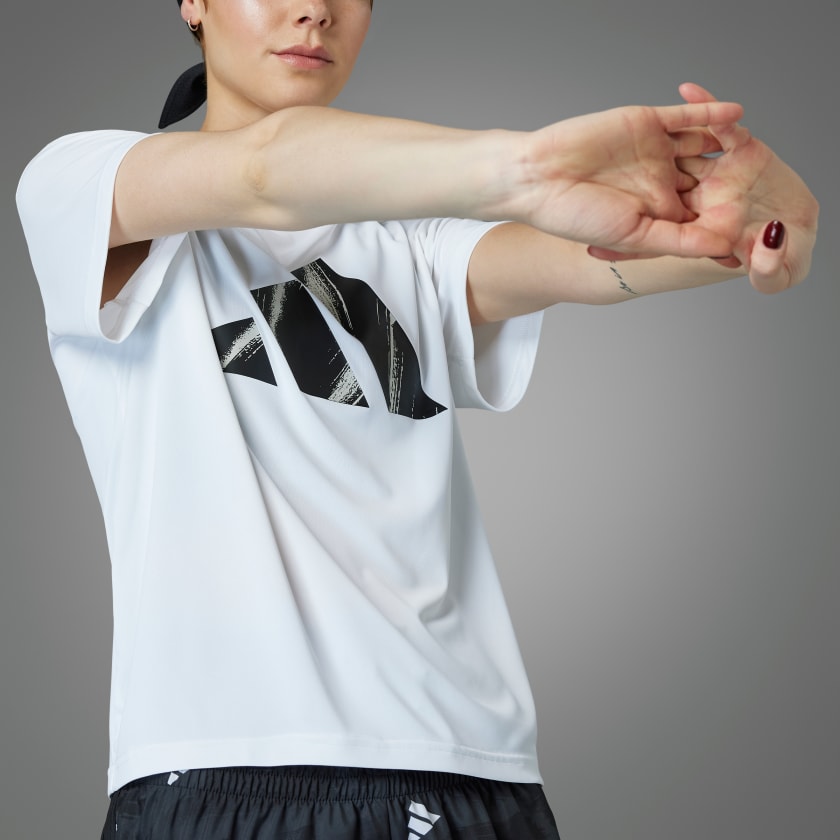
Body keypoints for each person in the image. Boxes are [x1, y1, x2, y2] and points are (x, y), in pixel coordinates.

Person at [15, 1, 817, 838]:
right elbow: (263, 170)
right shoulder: (86, 183)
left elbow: (601, 261)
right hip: (224, 767)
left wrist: (748, 227)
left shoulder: (415, 247)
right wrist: (526, 167)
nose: (314, 9)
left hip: (474, 775)